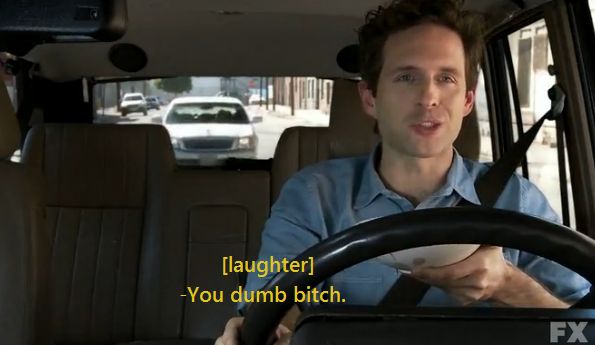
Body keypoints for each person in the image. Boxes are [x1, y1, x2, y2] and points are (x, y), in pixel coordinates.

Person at [215, 0, 591, 344]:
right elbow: (275, 302)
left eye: (446, 78)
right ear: (370, 99)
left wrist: (508, 285)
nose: (429, 97)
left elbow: (581, 331)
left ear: (466, 101)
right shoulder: (314, 195)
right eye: (406, 77)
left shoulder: (519, 200)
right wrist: (270, 333)